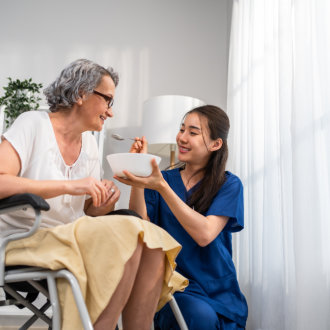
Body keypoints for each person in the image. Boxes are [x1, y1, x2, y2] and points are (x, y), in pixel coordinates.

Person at [0, 59, 187, 330]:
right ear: (80, 94)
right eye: (108, 100)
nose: (110, 112)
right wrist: (70, 186)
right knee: (128, 234)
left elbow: (87, 212)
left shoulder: (88, 143)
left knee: (151, 241)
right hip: (25, 240)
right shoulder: (33, 124)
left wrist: (103, 202)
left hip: (71, 236)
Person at [115, 105, 248, 329]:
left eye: (193, 133)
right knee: (197, 315)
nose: (182, 138)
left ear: (216, 144)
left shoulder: (229, 184)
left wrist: (162, 187)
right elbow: (140, 226)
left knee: (207, 317)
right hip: (171, 285)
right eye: (181, 129)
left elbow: (205, 234)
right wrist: (138, 178)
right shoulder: (162, 178)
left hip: (217, 290)